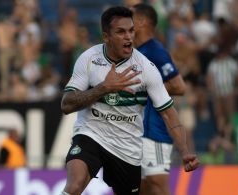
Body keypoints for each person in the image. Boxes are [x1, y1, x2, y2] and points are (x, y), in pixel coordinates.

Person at [60, 6, 199, 195]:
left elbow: (168, 113)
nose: (129, 37)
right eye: (121, 32)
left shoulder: (146, 68)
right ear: (106, 37)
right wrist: (104, 88)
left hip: (127, 147)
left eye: (131, 30)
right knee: (74, 186)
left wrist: (184, 151)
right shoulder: (89, 59)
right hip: (91, 134)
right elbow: (66, 104)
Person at [131, 3, 189, 195]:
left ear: (142, 22)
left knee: (157, 186)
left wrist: (148, 89)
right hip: (134, 131)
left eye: (130, 16)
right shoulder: (132, 52)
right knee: (137, 187)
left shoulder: (155, 50)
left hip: (154, 130)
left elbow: (179, 86)